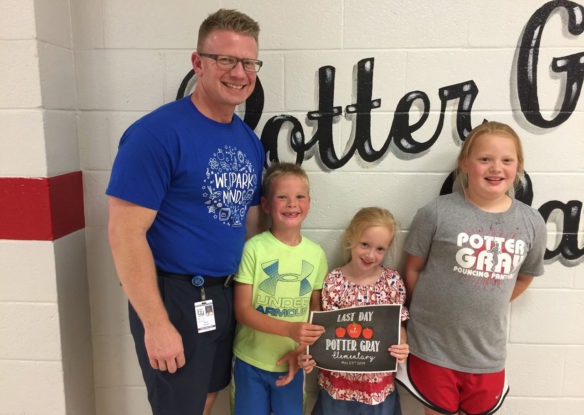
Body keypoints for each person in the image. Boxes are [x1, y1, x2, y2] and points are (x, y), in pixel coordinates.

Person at [106, 9, 265, 415]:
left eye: (248, 62)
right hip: (172, 295)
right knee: (179, 406)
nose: (239, 73)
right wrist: (157, 325)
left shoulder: (249, 142)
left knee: (209, 395)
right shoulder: (155, 135)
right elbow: (124, 234)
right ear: (198, 63)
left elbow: (244, 223)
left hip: (222, 294)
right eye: (226, 59)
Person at [396, 121, 547, 415]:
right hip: (433, 346)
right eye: (485, 159)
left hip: (486, 352)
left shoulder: (532, 223)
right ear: (464, 164)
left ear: (518, 167)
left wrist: (489, 300)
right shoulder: (436, 212)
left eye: (507, 160)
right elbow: (412, 270)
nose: (496, 168)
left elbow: (525, 277)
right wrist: (426, 309)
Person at [232, 162, 328, 415]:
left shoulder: (316, 255)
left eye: (299, 197)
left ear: (309, 202)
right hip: (250, 362)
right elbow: (242, 310)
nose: (291, 204)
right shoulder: (253, 248)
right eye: (282, 197)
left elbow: (314, 313)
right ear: (265, 204)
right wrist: (289, 329)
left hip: (292, 363)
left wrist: (303, 348)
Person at [299, 207, 410, 415]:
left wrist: (402, 346)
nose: (370, 254)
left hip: (377, 389)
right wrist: (308, 355)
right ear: (350, 237)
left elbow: (398, 328)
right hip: (336, 388)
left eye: (380, 249)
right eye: (365, 244)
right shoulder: (334, 281)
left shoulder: (392, 281)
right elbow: (321, 334)